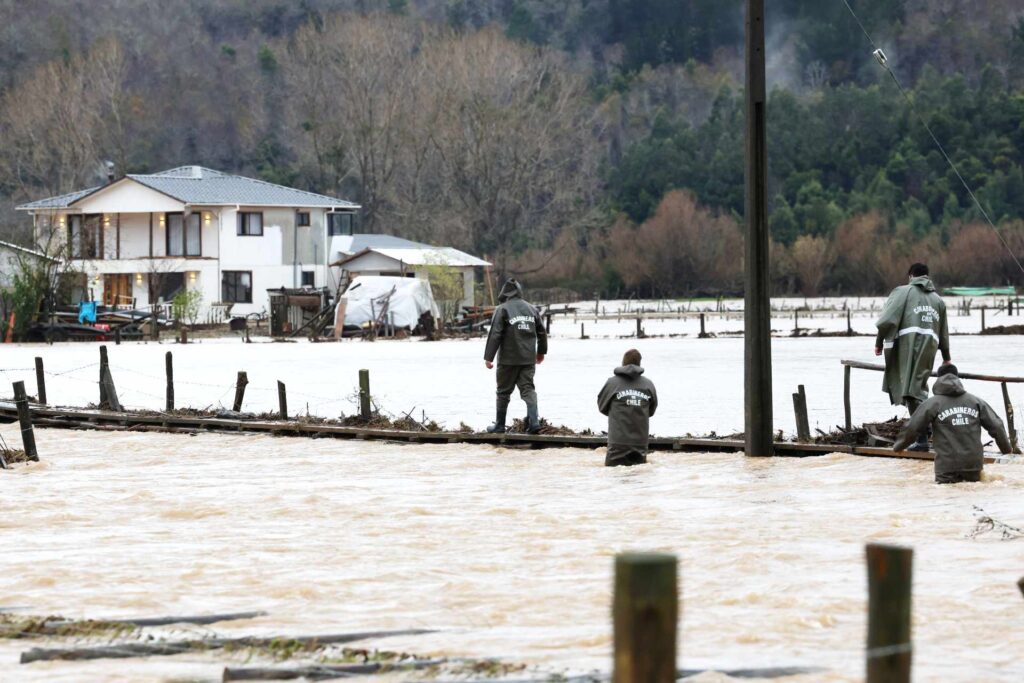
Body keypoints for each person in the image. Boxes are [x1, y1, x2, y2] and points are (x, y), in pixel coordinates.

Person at [875, 262, 951, 450]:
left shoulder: (903, 291)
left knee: (912, 392)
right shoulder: (938, 300)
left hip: (908, 348)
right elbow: (943, 332)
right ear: (927, 276)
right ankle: (932, 432)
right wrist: (946, 356)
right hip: (929, 348)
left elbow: (886, 320)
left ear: (911, 276)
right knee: (916, 390)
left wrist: (878, 342)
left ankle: (924, 438)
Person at [894, 364, 1011, 483]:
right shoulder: (976, 402)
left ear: (938, 379)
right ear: (957, 378)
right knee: (972, 494)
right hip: (973, 464)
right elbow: (997, 426)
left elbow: (913, 427)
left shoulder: (932, 404)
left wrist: (899, 446)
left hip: (946, 466)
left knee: (947, 497)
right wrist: (1006, 449)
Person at [483, 278, 547, 434]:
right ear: (519, 292)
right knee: (528, 389)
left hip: (508, 360)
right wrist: (541, 352)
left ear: (504, 293)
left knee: (503, 392)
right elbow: (542, 333)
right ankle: (534, 423)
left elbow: (495, 334)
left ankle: (499, 426)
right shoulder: (532, 310)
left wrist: (489, 357)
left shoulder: (502, 309)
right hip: (527, 359)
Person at [597, 349, 658, 467]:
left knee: (614, 477)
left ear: (623, 362)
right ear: (640, 364)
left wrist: (619, 410)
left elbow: (602, 407)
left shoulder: (612, 383)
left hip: (617, 444)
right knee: (638, 478)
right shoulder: (648, 385)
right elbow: (651, 411)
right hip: (640, 444)